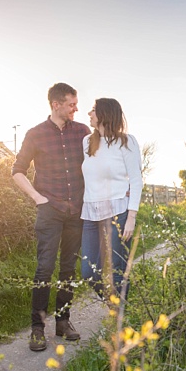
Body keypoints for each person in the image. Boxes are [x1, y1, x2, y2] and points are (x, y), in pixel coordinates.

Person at [11, 82, 91, 352]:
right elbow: (17, 170)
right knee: (45, 268)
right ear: (56, 104)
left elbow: (95, 164)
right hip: (49, 210)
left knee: (69, 268)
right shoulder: (35, 134)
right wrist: (37, 198)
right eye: (71, 104)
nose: (75, 108)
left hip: (76, 212)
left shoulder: (82, 131)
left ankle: (63, 322)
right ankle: (37, 327)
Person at [80, 98, 143, 304]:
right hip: (91, 213)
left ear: (104, 114)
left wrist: (131, 216)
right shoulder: (88, 142)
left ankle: (121, 320)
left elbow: (135, 180)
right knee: (88, 272)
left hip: (118, 212)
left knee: (117, 270)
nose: (89, 114)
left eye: (93, 110)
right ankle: (112, 304)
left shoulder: (127, 142)